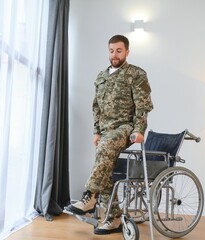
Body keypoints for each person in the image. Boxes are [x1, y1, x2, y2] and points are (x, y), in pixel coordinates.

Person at [65, 34, 153, 235]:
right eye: (111, 50)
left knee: (106, 149)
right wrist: (96, 131)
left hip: (125, 128)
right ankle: (113, 219)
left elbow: (143, 106)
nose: (115, 54)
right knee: (105, 165)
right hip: (105, 131)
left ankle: (90, 195)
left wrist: (139, 129)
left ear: (127, 52)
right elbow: (96, 106)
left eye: (119, 50)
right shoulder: (101, 77)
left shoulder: (137, 74)